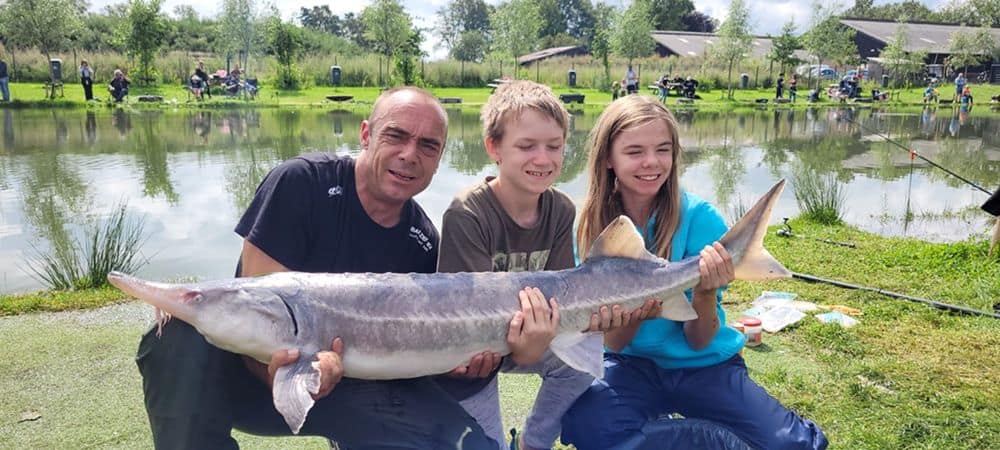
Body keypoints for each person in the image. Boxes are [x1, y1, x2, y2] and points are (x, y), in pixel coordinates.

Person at [134, 87, 496, 450]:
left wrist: (466, 366)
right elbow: (259, 308)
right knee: (177, 337)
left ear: (439, 157)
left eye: (428, 146)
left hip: (344, 385)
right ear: (366, 134)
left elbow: (414, 363)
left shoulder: (423, 242)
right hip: (244, 381)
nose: (409, 155)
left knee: (468, 444)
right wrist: (289, 371)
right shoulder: (300, 183)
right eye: (396, 136)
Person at [561, 95, 828, 450]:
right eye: (635, 151)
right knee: (585, 428)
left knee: (794, 446)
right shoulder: (589, 226)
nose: (651, 163)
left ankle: (696, 431)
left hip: (704, 365)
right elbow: (614, 343)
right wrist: (636, 312)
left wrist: (703, 292)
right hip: (630, 365)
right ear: (608, 158)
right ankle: (706, 437)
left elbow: (699, 340)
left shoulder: (701, 218)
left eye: (663, 149)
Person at [434, 80, 633, 450]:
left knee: (583, 360)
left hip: (534, 332)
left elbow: (559, 295)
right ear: (494, 147)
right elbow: (471, 323)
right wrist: (526, 346)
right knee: (484, 443)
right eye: (526, 146)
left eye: (554, 146)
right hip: (472, 354)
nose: (543, 159)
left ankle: (534, 442)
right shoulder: (468, 212)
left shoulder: (561, 209)